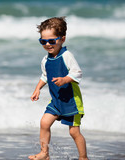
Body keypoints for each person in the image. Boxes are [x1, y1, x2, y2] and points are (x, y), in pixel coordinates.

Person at [29, 17, 88, 160]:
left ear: (62, 39)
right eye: (43, 41)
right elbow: (44, 76)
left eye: (51, 41)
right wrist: (38, 89)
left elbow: (77, 73)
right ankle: (44, 153)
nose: (47, 44)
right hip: (56, 101)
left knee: (74, 132)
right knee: (44, 122)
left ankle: (83, 157)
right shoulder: (45, 60)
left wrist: (65, 79)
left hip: (71, 101)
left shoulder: (66, 56)